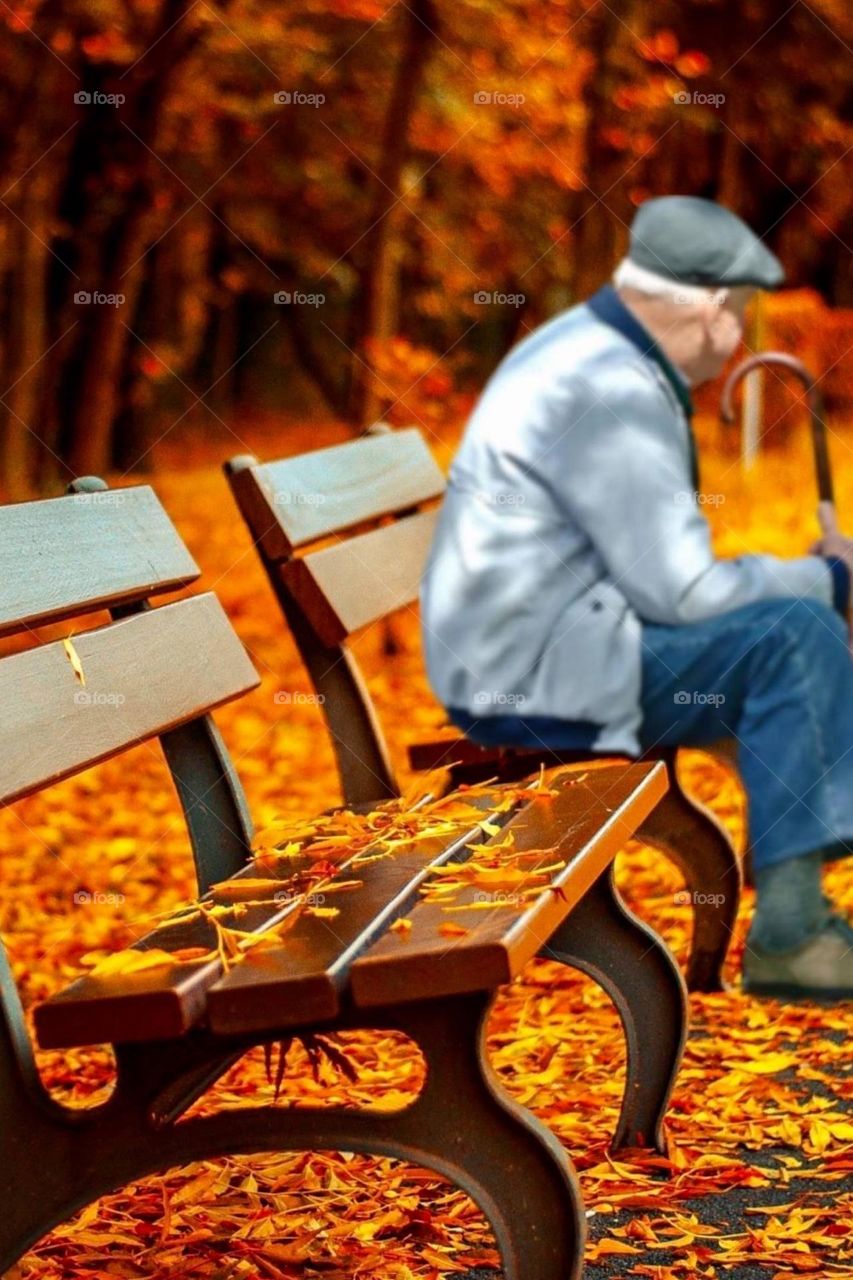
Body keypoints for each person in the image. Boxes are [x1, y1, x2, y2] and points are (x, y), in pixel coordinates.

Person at [420, 194, 853, 1000]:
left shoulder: (590, 356)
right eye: (731, 315)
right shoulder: (610, 387)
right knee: (796, 637)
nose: (734, 340)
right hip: (536, 669)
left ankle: (798, 906)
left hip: (542, 644)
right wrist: (828, 579)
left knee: (788, 645)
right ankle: (791, 937)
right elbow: (682, 591)